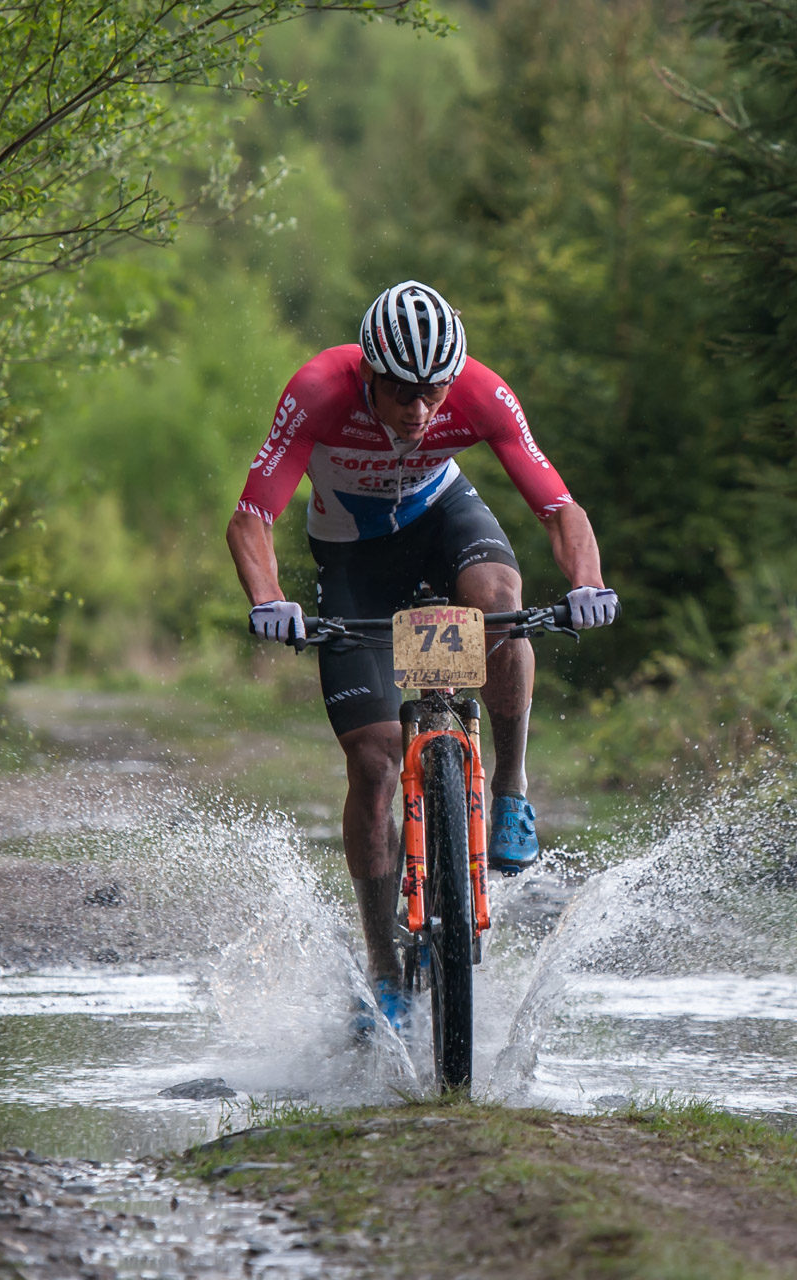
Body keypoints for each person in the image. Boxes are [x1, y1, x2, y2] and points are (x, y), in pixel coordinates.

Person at [225, 280, 617, 1027]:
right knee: (372, 761)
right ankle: (383, 969)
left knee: (502, 599)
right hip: (352, 557)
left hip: (442, 519)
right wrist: (270, 601)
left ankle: (510, 789)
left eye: (433, 392)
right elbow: (251, 516)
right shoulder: (317, 389)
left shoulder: (481, 393)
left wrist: (588, 583)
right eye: (401, 392)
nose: (418, 409)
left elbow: (557, 504)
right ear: (368, 372)